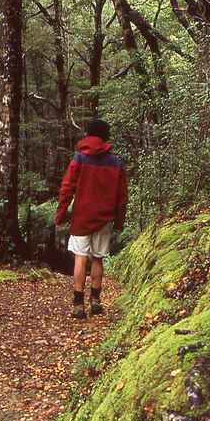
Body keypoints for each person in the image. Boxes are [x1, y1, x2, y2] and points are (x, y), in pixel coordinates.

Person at [55, 118, 128, 318]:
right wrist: (119, 222)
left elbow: (66, 188)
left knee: (80, 257)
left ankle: (78, 304)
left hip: (81, 217)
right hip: (104, 219)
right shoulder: (117, 163)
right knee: (97, 258)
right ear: (106, 137)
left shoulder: (79, 158)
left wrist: (60, 215)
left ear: (88, 135)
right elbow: (122, 197)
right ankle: (95, 301)